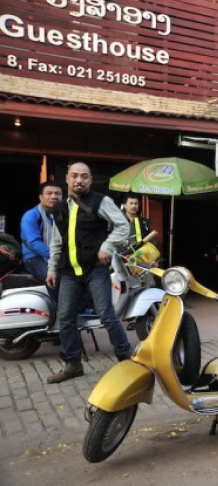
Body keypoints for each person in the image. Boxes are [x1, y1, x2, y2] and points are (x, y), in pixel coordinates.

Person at [46, 162, 132, 384]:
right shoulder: (61, 208)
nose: (79, 180)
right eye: (75, 176)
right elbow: (57, 242)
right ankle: (73, 365)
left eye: (84, 177)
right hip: (68, 272)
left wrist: (107, 247)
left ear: (90, 180)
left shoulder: (101, 201)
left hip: (95, 269)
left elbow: (123, 226)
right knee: (64, 319)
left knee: (106, 315)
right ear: (67, 179)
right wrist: (52, 268)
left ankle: (126, 359)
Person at [20, 182, 63, 282]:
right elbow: (34, 243)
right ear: (41, 197)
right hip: (34, 258)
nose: (53, 196)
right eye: (49, 193)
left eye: (57, 193)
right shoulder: (31, 216)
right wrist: (58, 257)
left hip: (57, 256)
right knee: (55, 278)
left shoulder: (64, 215)